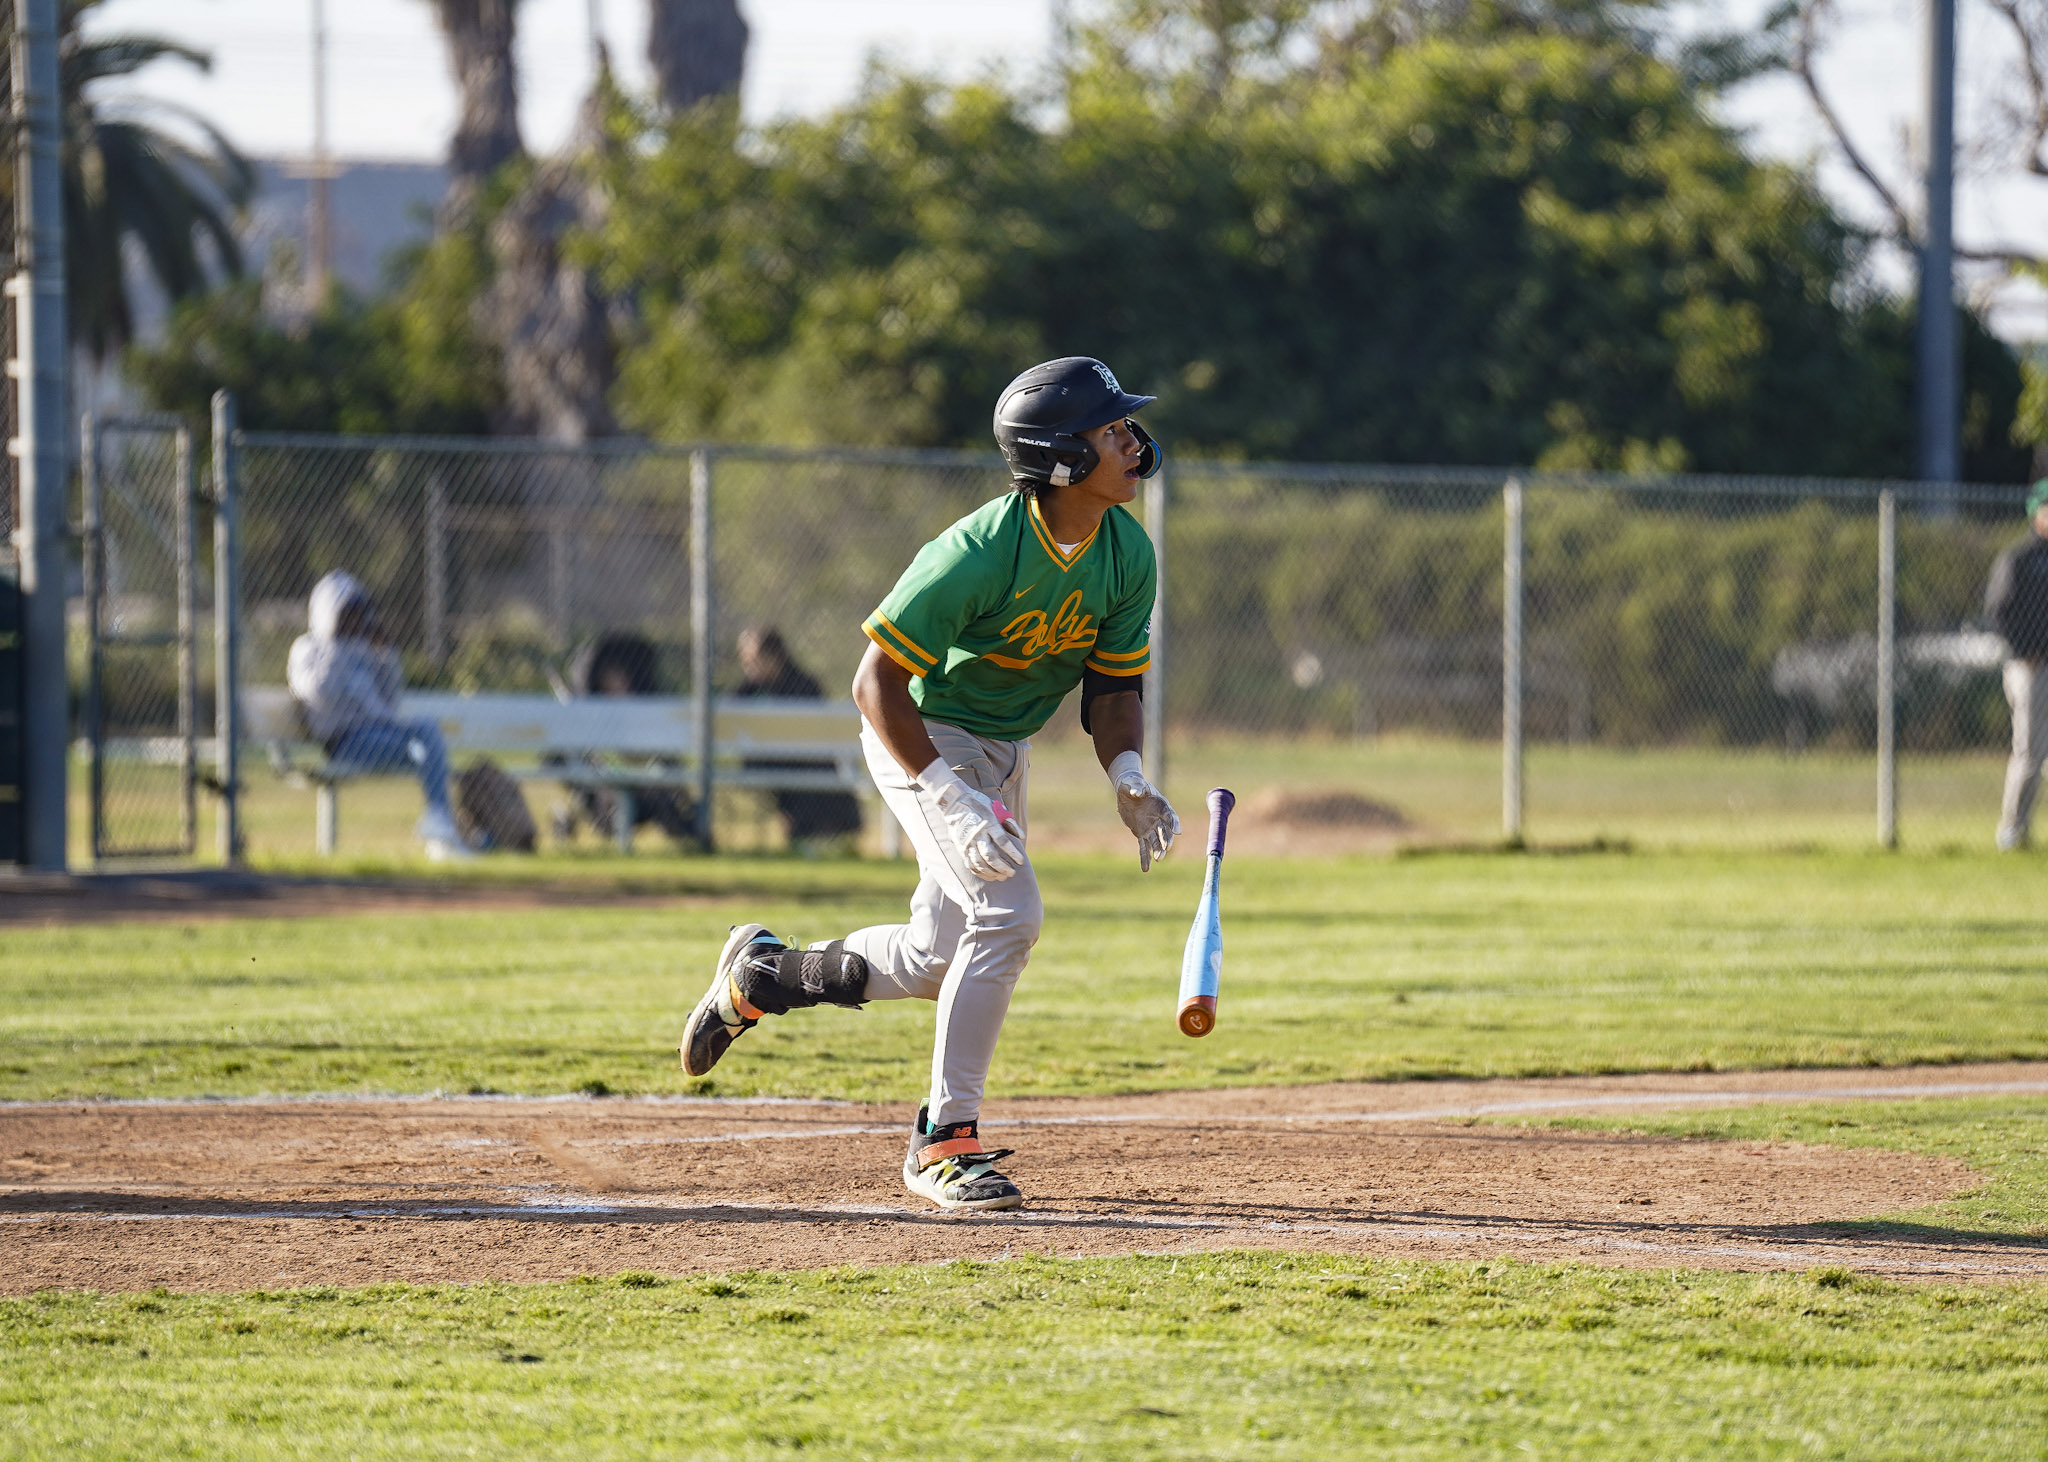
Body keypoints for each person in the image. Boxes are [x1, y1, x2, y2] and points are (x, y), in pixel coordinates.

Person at [678, 357, 1180, 1211]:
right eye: (1110, 430)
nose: (1132, 441)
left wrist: (1127, 774)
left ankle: (764, 976)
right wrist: (949, 794)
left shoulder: (1127, 551)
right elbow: (874, 684)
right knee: (1009, 915)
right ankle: (944, 1142)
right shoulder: (977, 553)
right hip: (921, 737)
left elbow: (1112, 686)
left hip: (1003, 748)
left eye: (1127, 425)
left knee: (934, 957)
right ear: (1061, 458)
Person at [286, 570, 470, 861]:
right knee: (421, 753)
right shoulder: (307, 649)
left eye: (358, 615)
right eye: (347, 615)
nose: (355, 623)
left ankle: (439, 821)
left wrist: (386, 655)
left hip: (381, 731)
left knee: (428, 729)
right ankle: (440, 833)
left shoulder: (362, 650)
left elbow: (389, 699)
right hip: (345, 743)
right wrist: (336, 645)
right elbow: (320, 692)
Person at [550, 632, 697, 848]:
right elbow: (587, 763)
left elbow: (661, 759)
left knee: (662, 794)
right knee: (624, 793)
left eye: (622, 678)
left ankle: (690, 835)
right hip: (608, 790)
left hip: (648, 785)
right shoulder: (592, 720)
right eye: (611, 679)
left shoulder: (644, 716)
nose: (619, 684)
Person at [733, 625, 864, 850]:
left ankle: (825, 830)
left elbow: (819, 733)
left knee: (819, 770)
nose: (748, 667)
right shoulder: (747, 690)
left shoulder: (803, 684)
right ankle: (808, 832)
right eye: (745, 661)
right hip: (765, 762)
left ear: (774, 656)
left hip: (803, 760)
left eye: (754, 660)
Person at [1985, 478, 2048, 849]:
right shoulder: (2019, 558)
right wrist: (2025, 651)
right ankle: (2012, 829)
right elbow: (1998, 612)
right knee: (2030, 751)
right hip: (2030, 668)